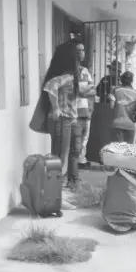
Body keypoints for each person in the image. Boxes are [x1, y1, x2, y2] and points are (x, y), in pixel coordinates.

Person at [42, 41, 86, 191]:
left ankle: (54, 195)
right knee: (59, 158)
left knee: (59, 157)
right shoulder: (68, 76)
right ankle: (54, 196)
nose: (79, 56)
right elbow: (50, 86)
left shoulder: (66, 75)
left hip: (65, 120)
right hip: (62, 120)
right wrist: (56, 108)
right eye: (76, 54)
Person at [73, 41, 95, 170]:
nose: (80, 53)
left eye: (82, 50)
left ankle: (82, 160)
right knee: (75, 139)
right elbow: (78, 91)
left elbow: (93, 91)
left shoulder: (85, 71)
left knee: (84, 138)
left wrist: (84, 90)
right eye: (78, 50)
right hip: (74, 110)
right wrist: (85, 89)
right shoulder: (70, 71)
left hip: (86, 110)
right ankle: (73, 165)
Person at [109, 71, 136, 143]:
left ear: (121, 79)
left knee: (117, 150)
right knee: (128, 151)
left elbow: (111, 106)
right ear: (131, 81)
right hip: (130, 125)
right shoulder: (135, 93)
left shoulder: (116, 90)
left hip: (117, 124)